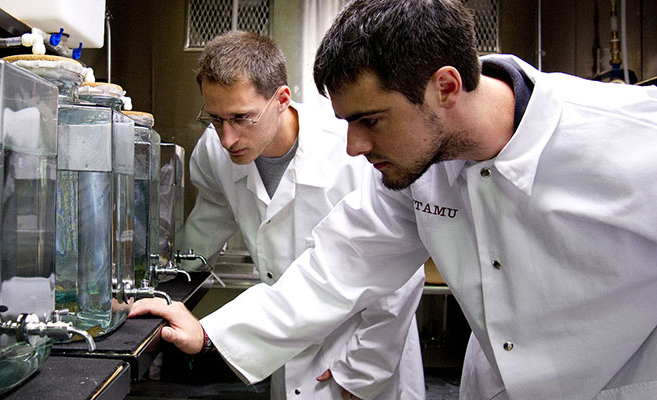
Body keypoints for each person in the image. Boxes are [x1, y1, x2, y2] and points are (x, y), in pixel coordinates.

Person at [131, 0, 657, 398]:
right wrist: (210, 334)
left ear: (445, 87)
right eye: (346, 123)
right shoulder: (418, 170)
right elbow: (338, 265)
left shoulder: (632, 135)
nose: (354, 147)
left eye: (370, 120)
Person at [173, 30, 425, 399]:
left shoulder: (351, 152)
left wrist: (363, 373)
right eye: (215, 118)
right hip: (283, 348)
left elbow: (397, 281)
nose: (227, 138)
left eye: (242, 118)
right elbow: (206, 227)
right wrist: (164, 290)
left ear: (281, 99)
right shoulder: (216, 152)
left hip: (358, 348)